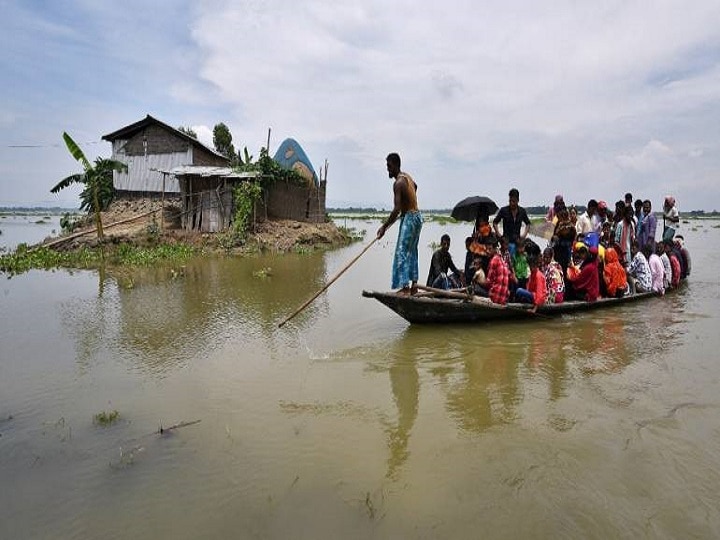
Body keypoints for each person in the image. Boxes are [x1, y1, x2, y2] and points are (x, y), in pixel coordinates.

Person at [376, 153, 423, 295]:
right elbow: (415, 186)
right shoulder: (406, 177)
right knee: (413, 251)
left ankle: (405, 288)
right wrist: (407, 204)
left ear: (396, 165)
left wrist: (384, 227)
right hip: (417, 217)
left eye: (389, 166)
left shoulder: (398, 183)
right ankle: (414, 285)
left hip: (409, 218)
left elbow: (396, 209)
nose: (388, 170)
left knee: (402, 252)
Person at [493, 188, 530, 257]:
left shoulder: (522, 211)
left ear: (518, 200)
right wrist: (499, 235)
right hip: (506, 242)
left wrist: (524, 235)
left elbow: (528, 223)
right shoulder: (504, 210)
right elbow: (495, 222)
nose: (511, 203)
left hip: (517, 241)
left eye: (513, 201)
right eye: (510, 201)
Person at [484, 237, 511, 305]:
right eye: (486, 249)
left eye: (490, 249)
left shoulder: (493, 261)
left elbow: (488, 283)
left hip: (494, 298)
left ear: (494, 249)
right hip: (503, 298)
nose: (487, 251)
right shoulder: (501, 259)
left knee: (476, 287)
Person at [552, 205, 577, 275]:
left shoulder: (570, 226)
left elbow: (574, 236)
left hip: (566, 252)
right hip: (559, 252)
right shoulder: (558, 225)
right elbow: (554, 237)